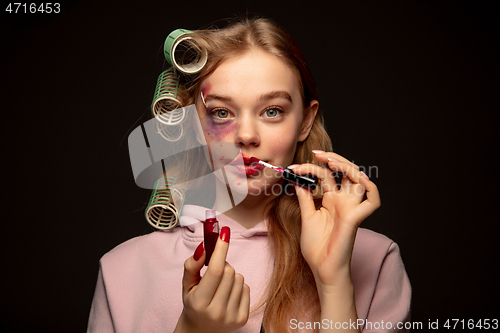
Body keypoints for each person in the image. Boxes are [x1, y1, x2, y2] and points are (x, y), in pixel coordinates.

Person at [87, 17, 411, 333]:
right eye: (221, 112)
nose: (245, 135)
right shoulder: (122, 271)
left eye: (272, 111)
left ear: (305, 122)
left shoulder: (374, 260)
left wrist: (334, 282)